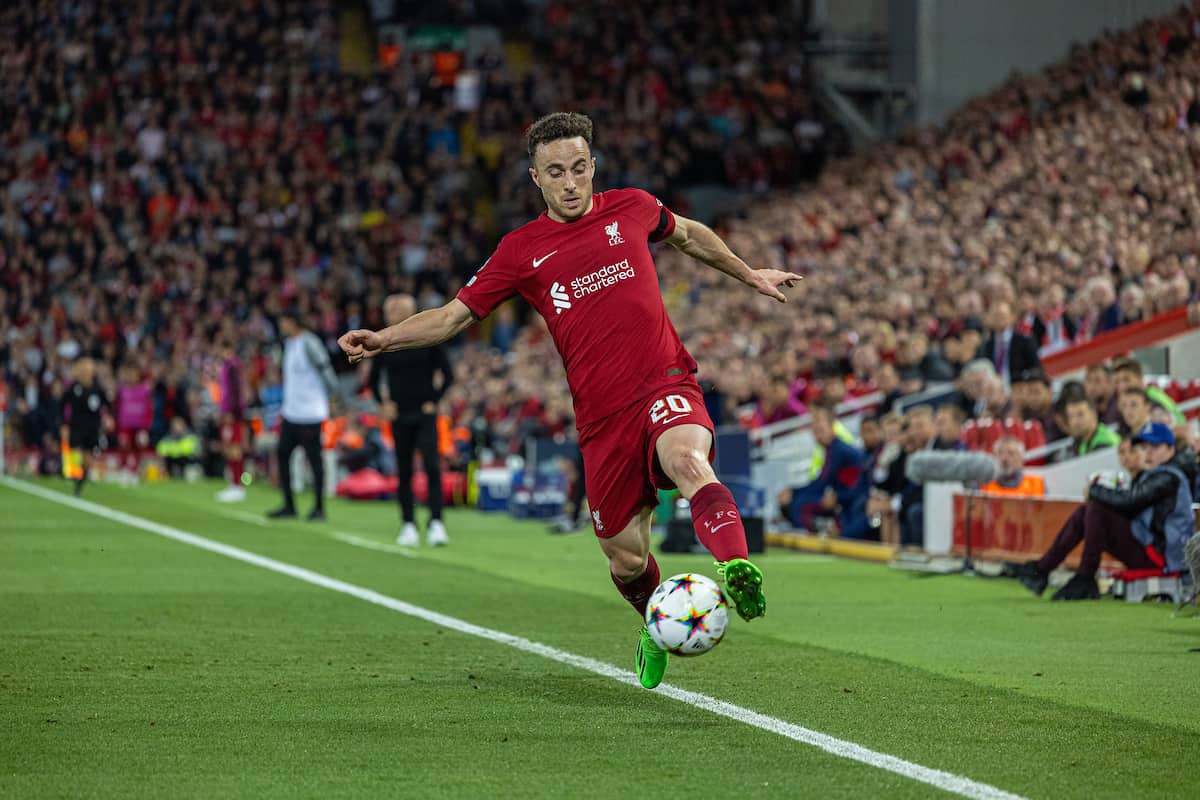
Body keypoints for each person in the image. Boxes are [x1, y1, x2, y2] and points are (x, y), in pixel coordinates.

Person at [338, 112, 797, 689]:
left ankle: (734, 563)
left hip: (664, 382)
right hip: (602, 421)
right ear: (537, 179)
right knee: (624, 558)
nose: (571, 182)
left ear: (593, 167)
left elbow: (687, 233)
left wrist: (747, 272)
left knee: (687, 458)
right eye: (557, 172)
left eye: (580, 168)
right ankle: (657, 625)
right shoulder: (520, 250)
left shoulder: (629, 206)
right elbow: (453, 317)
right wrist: (382, 339)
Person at [1016, 423, 1196, 600]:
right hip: (1153, 549)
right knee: (1086, 512)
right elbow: (1132, 505)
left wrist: (1094, 490)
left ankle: (1081, 576)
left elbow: (1130, 502)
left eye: (1155, 446)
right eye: (1144, 446)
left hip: (1162, 557)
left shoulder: (1169, 476)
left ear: (1171, 449)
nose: (1148, 452)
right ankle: (1044, 569)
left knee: (1095, 510)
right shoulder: (1160, 473)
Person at [367, 294, 455, 547]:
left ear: (412, 311)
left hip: (424, 413)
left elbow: (447, 374)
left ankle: (436, 522)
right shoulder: (385, 341)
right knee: (403, 470)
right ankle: (408, 523)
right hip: (399, 415)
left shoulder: (427, 339)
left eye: (397, 308)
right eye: (390, 309)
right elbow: (373, 380)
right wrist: (383, 404)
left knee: (431, 465)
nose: (392, 313)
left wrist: (434, 399)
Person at [269, 309, 340, 522]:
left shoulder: (310, 343)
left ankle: (319, 507)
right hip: (292, 411)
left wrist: (333, 396)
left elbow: (325, 369)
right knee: (282, 454)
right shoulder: (288, 344)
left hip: (310, 412)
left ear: (293, 322)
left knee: (314, 460)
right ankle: (289, 504)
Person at [777, 405, 869, 538]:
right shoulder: (830, 449)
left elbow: (824, 481)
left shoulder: (838, 449)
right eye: (815, 432)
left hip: (853, 496)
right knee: (799, 500)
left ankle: (809, 536)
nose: (817, 436)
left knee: (801, 504)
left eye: (820, 431)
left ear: (831, 428)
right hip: (843, 494)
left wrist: (794, 492)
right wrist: (793, 491)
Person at [59, 357, 109, 497]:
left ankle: (80, 482)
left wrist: (108, 418)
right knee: (74, 453)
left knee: (87, 459)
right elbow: (62, 404)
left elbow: (107, 404)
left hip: (92, 428)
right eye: (85, 369)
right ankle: (72, 476)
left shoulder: (97, 388)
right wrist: (63, 424)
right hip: (76, 426)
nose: (87, 372)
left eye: (89, 370)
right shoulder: (74, 388)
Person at [215, 339, 249, 503]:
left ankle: (238, 486)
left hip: (233, 413)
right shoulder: (228, 366)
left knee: (235, 449)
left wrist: (231, 412)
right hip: (228, 412)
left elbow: (236, 391)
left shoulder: (233, 366)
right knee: (229, 448)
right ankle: (233, 484)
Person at [977, 301, 1041, 385]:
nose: (998, 319)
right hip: (994, 388)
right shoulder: (986, 344)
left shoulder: (1024, 340)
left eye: (1002, 315)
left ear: (1012, 317)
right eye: (995, 315)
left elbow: (1035, 368)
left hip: (1018, 386)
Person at [1111, 357, 1185, 425]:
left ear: (1140, 378)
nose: (1121, 386)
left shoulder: (1152, 398)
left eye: (1126, 379)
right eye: (1117, 382)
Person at [979, 436, 1046, 497]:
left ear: (1021, 458)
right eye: (1000, 453)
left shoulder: (1036, 485)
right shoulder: (984, 485)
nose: (1004, 458)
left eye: (1011, 453)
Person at [1063, 394, 1120, 460]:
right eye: (1071, 416)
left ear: (1093, 414)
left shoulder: (1105, 443)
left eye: (1080, 414)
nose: (1075, 421)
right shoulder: (1083, 442)